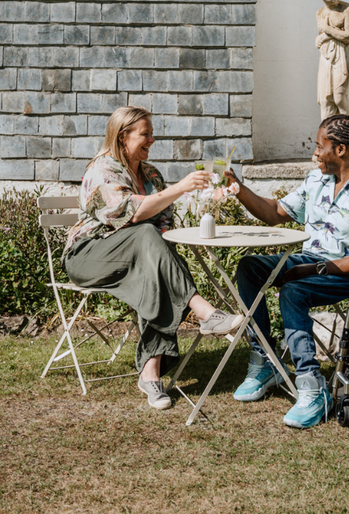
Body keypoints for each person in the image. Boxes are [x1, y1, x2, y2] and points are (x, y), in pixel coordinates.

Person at [225, 114, 349, 429]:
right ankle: (265, 359)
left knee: (295, 290)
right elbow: (275, 212)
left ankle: (312, 387)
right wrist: (237, 187)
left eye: (320, 146)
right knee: (249, 268)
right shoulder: (317, 180)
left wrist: (316, 268)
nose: (314, 153)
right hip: (310, 262)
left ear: (340, 149)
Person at [62, 106, 244, 410]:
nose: (153, 139)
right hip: (89, 256)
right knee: (147, 236)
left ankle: (150, 373)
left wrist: (207, 195)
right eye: (145, 134)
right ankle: (203, 311)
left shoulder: (152, 174)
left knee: (156, 265)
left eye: (152, 133)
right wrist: (180, 187)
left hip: (134, 258)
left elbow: (164, 224)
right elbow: (131, 214)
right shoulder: (102, 169)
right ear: (123, 137)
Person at [315, 0, 349, 120]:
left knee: (339, 97)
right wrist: (319, 38)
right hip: (327, 56)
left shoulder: (347, 9)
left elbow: (346, 36)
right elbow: (322, 36)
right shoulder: (320, 13)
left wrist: (327, 31)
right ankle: (328, 137)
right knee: (326, 100)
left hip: (344, 54)